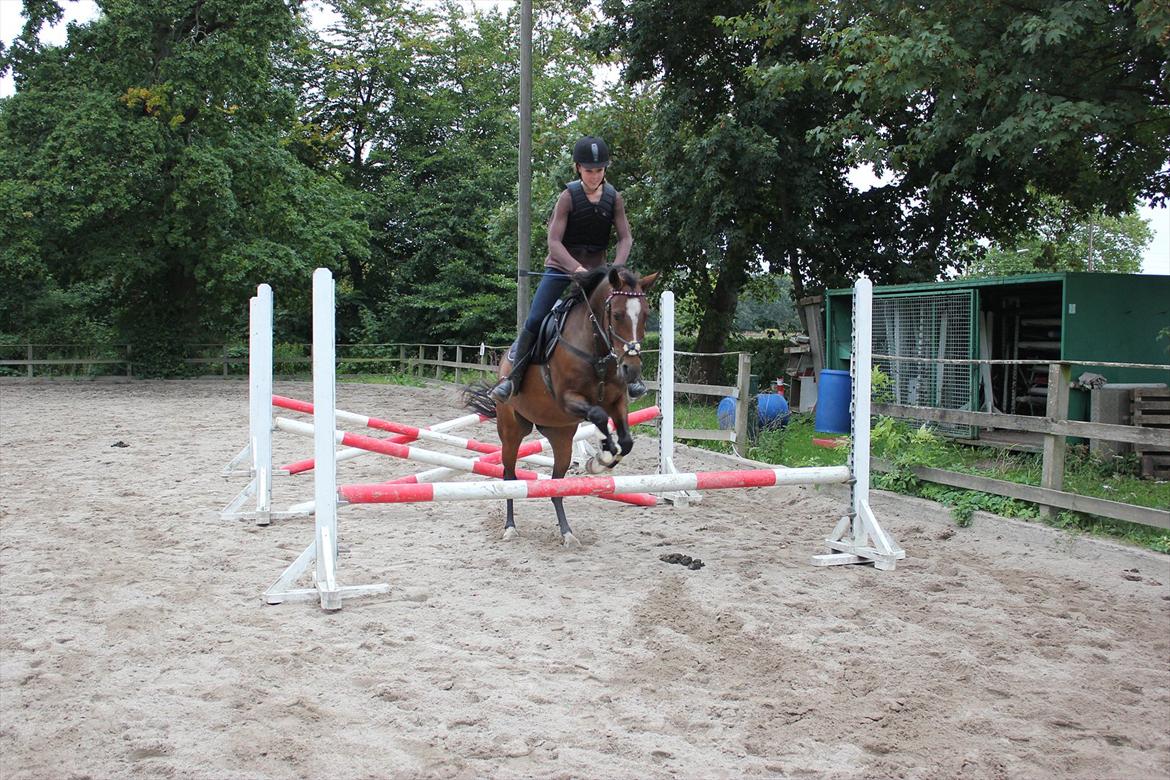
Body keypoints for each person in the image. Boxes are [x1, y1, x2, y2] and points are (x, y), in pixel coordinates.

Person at [491, 135, 644, 401]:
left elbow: (625, 238)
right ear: (577, 168)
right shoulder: (568, 196)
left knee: (621, 314)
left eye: (599, 170)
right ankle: (512, 377)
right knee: (537, 317)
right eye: (588, 170)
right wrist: (576, 268)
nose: (594, 176)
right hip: (562, 266)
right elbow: (553, 242)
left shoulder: (614, 198)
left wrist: (616, 270)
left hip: (599, 272)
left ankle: (631, 379)